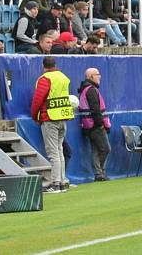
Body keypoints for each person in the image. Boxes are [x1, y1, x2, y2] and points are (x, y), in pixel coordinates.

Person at [30, 57, 74, 193]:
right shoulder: (63, 77)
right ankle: (62, 181)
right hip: (63, 117)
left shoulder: (45, 79)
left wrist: (34, 115)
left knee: (53, 152)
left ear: (44, 66)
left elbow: (38, 99)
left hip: (49, 117)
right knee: (59, 150)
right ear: (55, 65)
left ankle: (55, 184)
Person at [78, 68, 111, 182]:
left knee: (96, 150)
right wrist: (101, 124)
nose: (100, 77)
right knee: (105, 149)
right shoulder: (91, 90)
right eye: (98, 75)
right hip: (95, 126)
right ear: (91, 76)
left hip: (88, 125)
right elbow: (95, 109)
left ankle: (99, 174)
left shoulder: (86, 89)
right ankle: (99, 173)